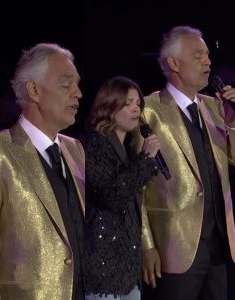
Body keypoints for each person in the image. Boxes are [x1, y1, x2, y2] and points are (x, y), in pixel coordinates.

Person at [0, 43, 85, 300]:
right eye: (66, 85)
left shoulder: (75, 150)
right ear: (34, 90)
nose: (78, 94)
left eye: (77, 84)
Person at [133, 26, 235, 300]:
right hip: (174, 250)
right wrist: (146, 244)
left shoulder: (215, 107)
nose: (208, 61)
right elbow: (135, 186)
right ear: (174, 63)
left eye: (208, 55)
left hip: (219, 246)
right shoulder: (147, 110)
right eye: (198, 55)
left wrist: (234, 122)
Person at [83, 76, 160, 300]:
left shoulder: (126, 148)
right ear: (109, 106)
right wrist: (146, 159)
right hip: (104, 270)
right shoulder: (94, 144)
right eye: (128, 103)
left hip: (127, 269)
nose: (136, 109)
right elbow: (112, 195)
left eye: (138, 103)